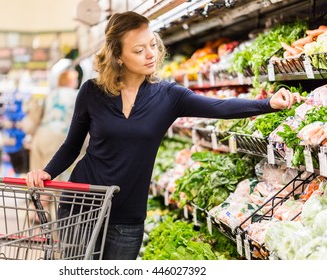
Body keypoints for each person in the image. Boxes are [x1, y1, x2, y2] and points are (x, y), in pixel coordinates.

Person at [26, 11, 304, 259]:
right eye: (139, 50)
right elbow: (72, 145)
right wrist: (47, 172)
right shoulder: (91, 91)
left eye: (152, 45)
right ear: (118, 56)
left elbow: (220, 107)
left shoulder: (169, 96)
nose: (151, 54)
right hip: (81, 206)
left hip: (127, 215)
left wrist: (268, 103)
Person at [28, 68, 80, 218]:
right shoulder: (75, 95)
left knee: (36, 178)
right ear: (70, 81)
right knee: (50, 180)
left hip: (40, 136)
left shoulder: (49, 94)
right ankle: (40, 215)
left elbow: (35, 115)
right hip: (58, 138)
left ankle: (33, 213)